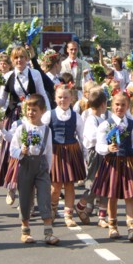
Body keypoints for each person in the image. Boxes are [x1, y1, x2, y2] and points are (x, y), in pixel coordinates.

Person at [0, 47, 51, 203]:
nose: (19, 60)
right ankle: (12, 186)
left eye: (22, 57)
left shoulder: (35, 74)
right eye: (16, 58)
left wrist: (47, 114)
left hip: (32, 114)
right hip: (14, 116)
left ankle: (29, 197)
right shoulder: (7, 76)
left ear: (27, 59)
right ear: (12, 60)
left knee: (32, 151)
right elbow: (1, 101)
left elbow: (42, 94)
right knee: (12, 151)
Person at [93, 91, 133, 242]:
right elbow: (99, 146)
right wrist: (108, 148)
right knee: (113, 195)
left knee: (129, 196)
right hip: (112, 163)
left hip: (128, 162)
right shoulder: (105, 124)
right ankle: (113, 227)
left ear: (128, 106)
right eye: (117, 104)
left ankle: (132, 228)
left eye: (123, 105)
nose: (119, 108)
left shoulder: (131, 124)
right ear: (111, 105)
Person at [9, 94, 59, 245]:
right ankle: (25, 230)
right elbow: (12, 150)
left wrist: (48, 170)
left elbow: (49, 152)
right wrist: (21, 152)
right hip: (25, 165)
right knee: (25, 198)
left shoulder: (46, 130)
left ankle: (48, 232)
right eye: (28, 109)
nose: (31, 113)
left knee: (44, 197)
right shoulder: (21, 128)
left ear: (43, 111)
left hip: (41, 166)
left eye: (34, 110)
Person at [43, 84, 86, 227]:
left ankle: (69, 215)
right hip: (55, 152)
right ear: (55, 99)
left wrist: (85, 155)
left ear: (72, 98)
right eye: (60, 97)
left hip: (71, 151)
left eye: (66, 97)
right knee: (55, 186)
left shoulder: (76, 116)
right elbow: (43, 134)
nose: (63, 100)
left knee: (70, 185)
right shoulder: (49, 115)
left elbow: (82, 136)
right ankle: (53, 209)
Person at [75, 87, 109, 227]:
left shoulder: (101, 119)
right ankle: (81, 205)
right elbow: (92, 137)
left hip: (104, 153)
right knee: (94, 184)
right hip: (94, 154)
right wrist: (107, 135)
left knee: (106, 185)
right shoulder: (91, 120)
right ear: (103, 104)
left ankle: (102, 216)